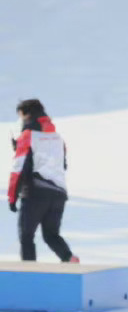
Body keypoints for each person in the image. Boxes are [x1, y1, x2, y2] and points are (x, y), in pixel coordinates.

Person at [9, 98, 78, 263]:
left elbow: (18, 169)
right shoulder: (57, 138)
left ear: (27, 114)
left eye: (21, 116)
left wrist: (12, 197)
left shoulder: (27, 135)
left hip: (35, 192)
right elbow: (62, 165)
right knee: (51, 235)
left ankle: (30, 275)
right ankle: (70, 259)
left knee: (26, 236)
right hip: (59, 194)